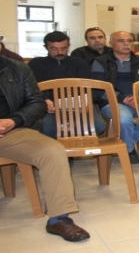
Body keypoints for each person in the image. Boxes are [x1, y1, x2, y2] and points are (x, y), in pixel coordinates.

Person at [0, 55, 90, 242]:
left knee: (53, 151)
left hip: (11, 130)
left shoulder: (17, 69)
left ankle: (58, 218)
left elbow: (36, 102)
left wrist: (13, 121)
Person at [28, 31, 107, 139]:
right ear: (46, 47)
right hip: (52, 107)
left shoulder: (78, 63)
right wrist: (44, 100)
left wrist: (88, 101)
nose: (60, 52)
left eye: (64, 48)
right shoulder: (36, 64)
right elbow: (32, 89)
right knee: (49, 127)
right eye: (54, 49)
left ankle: (76, 149)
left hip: (80, 106)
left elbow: (89, 86)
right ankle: (62, 152)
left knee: (98, 126)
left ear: (69, 46)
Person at [91, 31, 139, 164]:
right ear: (111, 44)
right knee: (125, 120)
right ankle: (130, 150)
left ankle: (127, 142)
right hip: (112, 101)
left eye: (129, 41)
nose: (126, 44)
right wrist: (122, 99)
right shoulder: (100, 62)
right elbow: (98, 88)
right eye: (121, 41)